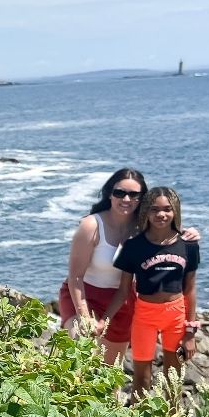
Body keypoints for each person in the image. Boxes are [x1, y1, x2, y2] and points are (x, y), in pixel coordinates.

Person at [59, 169, 198, 364]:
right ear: (110, 193)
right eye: (120, 193)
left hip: (121, 302)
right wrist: (85, 316)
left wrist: (188, 232)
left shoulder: (143, 227)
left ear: (143, 199)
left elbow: (169, 232)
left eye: (134, 195)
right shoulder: (91, 225)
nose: (126, 199)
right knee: (78, 360)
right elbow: (75, 277)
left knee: (110, 376)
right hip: (83, 296)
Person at [99, 187, 199, 397]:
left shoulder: (188, 245)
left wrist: (190, 332)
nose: (161, 214)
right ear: (146, 212)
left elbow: (190, 289)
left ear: (175, 211)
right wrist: (104, 320)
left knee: (174, 377)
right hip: (145, 315)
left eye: (167, 209)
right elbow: (123, 290)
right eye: (154, 209)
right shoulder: (134, 246)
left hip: (176, 315)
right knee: (141, 378)